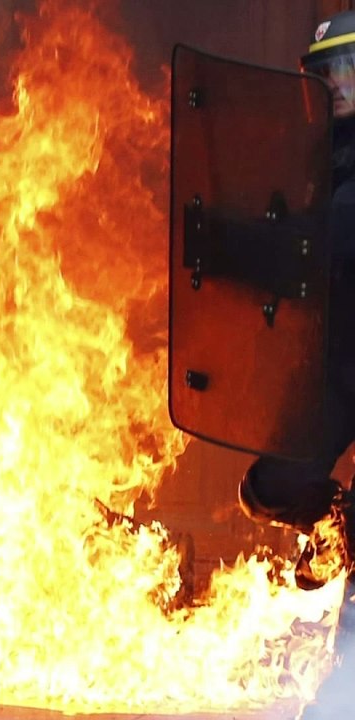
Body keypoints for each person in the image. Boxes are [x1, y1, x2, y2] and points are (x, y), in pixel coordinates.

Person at [236, 11, 355, 718]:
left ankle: (338, 704)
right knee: (270, 487)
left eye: (347, 67)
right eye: (323, 71)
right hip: (340, 367)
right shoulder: (317, 161)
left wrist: (257, 245)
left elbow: (334, 241)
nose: (333, 83)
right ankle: (338, 519)